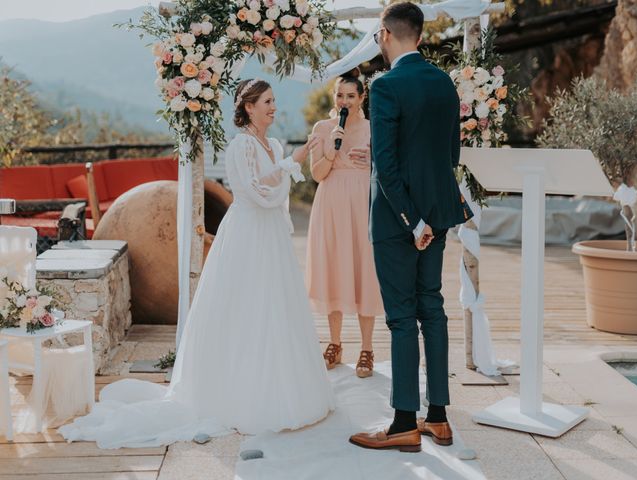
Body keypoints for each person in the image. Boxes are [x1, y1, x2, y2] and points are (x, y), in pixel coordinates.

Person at [58, 79, 334, 448]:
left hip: (271, 237)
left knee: (275, 307)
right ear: (248, 107)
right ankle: (240, 391)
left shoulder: (276, 144)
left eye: (273, 101)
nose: (273, 107)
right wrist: (291, 164)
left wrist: (286, 165)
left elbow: (277, 194)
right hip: (247, 235)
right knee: (244, 306)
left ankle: (280, 383)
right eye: (267, 101)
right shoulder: (241, 145)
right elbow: (251, 190)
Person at [349, 2, 473, 452]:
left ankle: (403, 422)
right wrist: (430, 219)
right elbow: (450, 156)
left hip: (398, 222)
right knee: (432, 309)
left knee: (402, 317)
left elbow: (384, 165)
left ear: (385, 33)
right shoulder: (444, 83)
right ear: (419, 36)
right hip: (437, 216)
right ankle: (437, 417)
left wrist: (411, 220)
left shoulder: (385, 86)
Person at [306, 68, 384, 379]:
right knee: (333, 269)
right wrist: (331, 147)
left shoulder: (374, 128)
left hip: (362, 204)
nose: (345, 100)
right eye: (340, 95)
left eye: (351, 96)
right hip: (330, 204)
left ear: (362, 98)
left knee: (365, 269)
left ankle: (367, 348)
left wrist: (373, 162)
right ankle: (335, 343)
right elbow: (317, 174)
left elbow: (386, 167)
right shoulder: (323, 127)